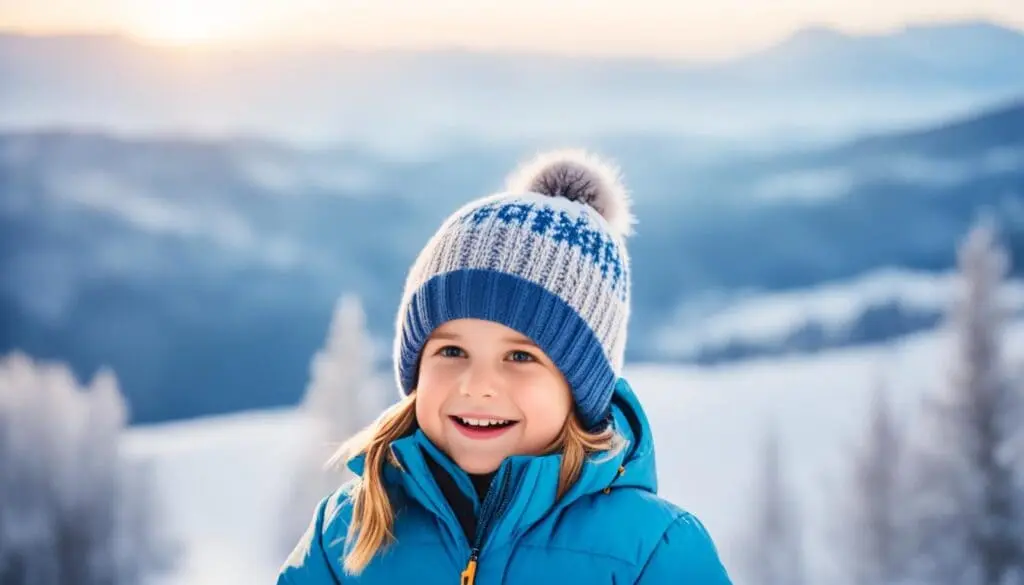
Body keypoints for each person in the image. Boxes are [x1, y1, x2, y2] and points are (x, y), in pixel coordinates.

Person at [277, 149, 733, 584]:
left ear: (579, 387)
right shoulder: (346, 533)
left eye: (520, 357)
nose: (477, 385)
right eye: (451, 352)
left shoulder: (652, 551)